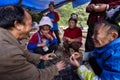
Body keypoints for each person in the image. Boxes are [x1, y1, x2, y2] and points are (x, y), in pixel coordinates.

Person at [0, 5, 66, 80]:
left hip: (45, 51)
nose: (31, 28)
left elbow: (22, 51)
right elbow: (36, 76)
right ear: (18, 25)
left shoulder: (6, 38)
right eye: (30, 24)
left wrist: (41, 57)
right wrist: (55, 68)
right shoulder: (8, 53)